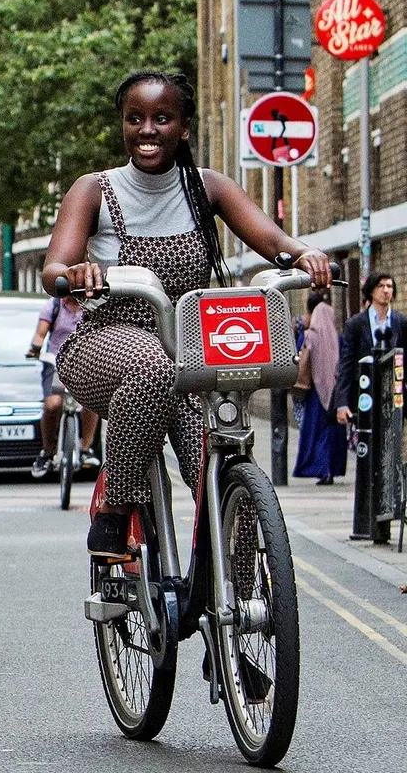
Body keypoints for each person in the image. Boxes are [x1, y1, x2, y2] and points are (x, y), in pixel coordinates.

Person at [43, 70, 332, 557]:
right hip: (105, 340)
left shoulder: (208, 187)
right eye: (135, 118)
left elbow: (273, 240)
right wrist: (75, 273)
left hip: (188, 355)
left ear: (183, 128)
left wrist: (305, 254)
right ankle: (116, 507)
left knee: (219, 463)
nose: (147, 129)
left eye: (162, 118)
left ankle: (236, 586)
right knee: (152, 367)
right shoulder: (93, 190)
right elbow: (54, 268)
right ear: (123, 125)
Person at [25, 295, 100, 477]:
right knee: (53, 405)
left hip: (86, 362)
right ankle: (47, 452)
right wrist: (35, 348)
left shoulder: (92, 306)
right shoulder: (53, 306)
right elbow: (40, 334)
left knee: (91, 403)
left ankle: (86, 449)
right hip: (57, 363)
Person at [335, 272, 405, 426]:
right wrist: (342, 403)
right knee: (366, 436)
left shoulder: (400, 322)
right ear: (371, 291)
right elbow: (346, 364)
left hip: (393, 393)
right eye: (381, 286)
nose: (386, 290)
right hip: (364, 392)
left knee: (393, 437)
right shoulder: (356, 324)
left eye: (389, 286)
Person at [292, 293, 347, 485]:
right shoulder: (338, 339)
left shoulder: (307, 337)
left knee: (317, 432)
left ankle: (320, 468)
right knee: (332, 433)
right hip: (336, 393)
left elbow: (298, 361)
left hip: (315, 393)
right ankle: (332, 468)